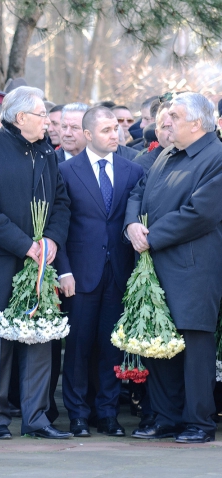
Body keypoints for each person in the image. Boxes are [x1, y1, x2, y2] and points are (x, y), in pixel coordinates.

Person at [0, 86, 72, 440]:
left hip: (39, 266)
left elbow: (60, 202)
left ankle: (36, 417)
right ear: (21, 117)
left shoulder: (46, 153)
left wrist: (51, 239)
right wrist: (25, 245)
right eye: (43, 115)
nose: (48, 122)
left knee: (40, 342)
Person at [126, 92, 222, 444]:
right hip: (156, 264)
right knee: (160, 342)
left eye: (174, 117)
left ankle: (198, 421)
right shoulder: (167, 154)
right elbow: (137, 192)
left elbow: (202, 212)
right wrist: (132, 225)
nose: (166, 122)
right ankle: (164, 417)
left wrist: (151, 236)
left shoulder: (217, 157)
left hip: (195, 268)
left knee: (194, 345)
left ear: (197, 123)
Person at [56, 106, 145, 438]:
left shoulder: (132, 170)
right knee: (78, 346)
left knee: (111, 345)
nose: (115, 134)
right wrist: (63, 272)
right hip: (80, 274)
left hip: (118, 272)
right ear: (88, 134)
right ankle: (78, 413)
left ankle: (107, 413)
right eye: (107, 129)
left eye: (116, 129)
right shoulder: (65, 171)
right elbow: (59, 228)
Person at [134, 102, 171, 173]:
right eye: (166, 126)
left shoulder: (196, 160)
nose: (171, 131)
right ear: (157, 132)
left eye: (177, 125)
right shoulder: (140, 166)